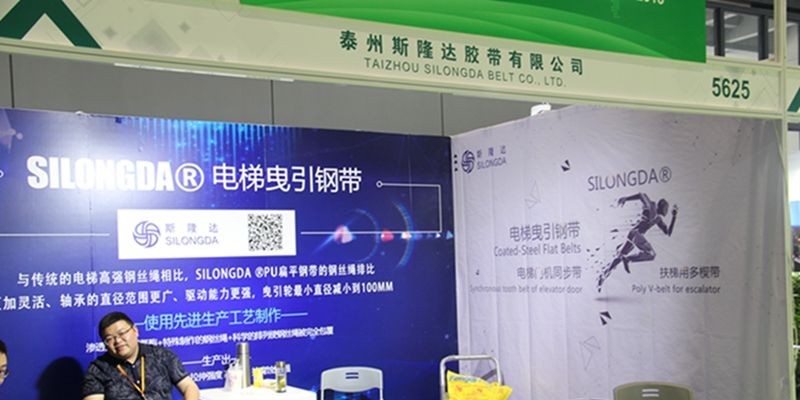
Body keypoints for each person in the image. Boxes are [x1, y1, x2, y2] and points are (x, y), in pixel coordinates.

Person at [82, 311, 199, 400]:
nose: (117, 341)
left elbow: (189, 387)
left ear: (135, 330)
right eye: (109, 339)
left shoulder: (161, 355)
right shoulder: (98, 369)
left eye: (122, 333)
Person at [597, 192, 678, 291]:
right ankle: (627, 259)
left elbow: (668, 232)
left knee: (619, 257)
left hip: (633, 235)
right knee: (651, 254)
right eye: (666, 209)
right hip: (636, 234)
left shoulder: (658, 219)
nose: (666, 211)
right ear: (661, 206)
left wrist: (674, 217)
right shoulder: (651, 206)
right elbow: (641, 195)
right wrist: (626, 198)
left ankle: (603, 275)